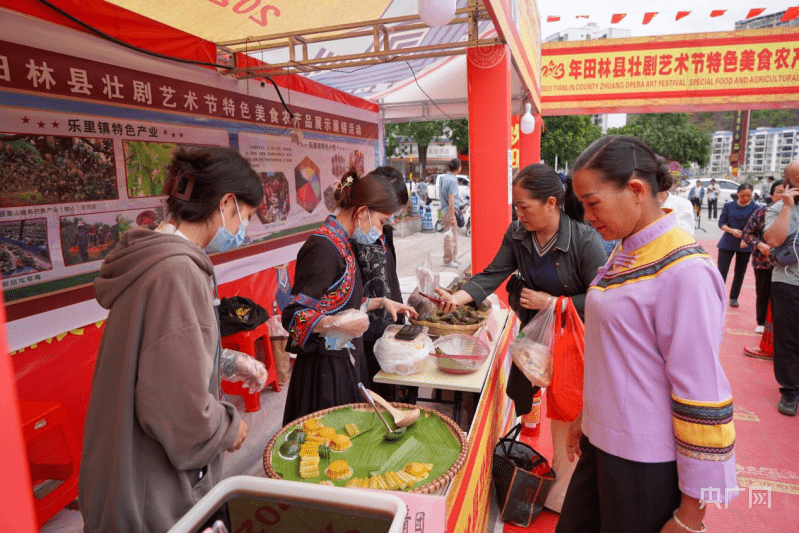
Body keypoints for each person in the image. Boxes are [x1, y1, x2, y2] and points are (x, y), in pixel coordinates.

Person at [79, 147, 264, 532]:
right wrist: (229, 429)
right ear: (226, 203)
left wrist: (230, 362)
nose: (243, 230)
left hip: (119, 472)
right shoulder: (177, 271)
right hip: (150, 495)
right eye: (245, 217)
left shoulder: (150, 258)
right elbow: (177, 408)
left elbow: (163, 352)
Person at [558, 136, 737, 533]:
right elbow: (622, 352)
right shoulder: (626, 251)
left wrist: (692, 513)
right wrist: (589, 414)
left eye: (592, 202)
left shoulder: (684, 271)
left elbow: (701, 392)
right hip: (601, 443)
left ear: (636, 190)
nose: (587, 217)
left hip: (643, 463)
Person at [434, 163, 607, 512]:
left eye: (525, 207)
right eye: (516, 207)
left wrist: (554, 302)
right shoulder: (517, 234)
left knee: (567, 407)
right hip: (536, 335)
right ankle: (556, 477)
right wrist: (458, 297)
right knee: (531, 395)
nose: (519, 214)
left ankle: (564, 486)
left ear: (551, 204)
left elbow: (604, 299)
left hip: (574, 337)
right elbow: (492, 274)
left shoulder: (585, 240)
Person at [281, 170, 417, 425]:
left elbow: (336, 303)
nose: (380, 230)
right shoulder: (322, 248)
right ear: (363, 211)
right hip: (323, 372)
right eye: (381, 221)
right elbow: (294, 316)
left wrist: (379, 302)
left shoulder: (344, 242)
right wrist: (339, 325)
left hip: (346, 362)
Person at [353, 166, 412, 399]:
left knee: (392, 394)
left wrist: (402, 317)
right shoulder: (358, 234)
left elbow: (390, 278)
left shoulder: (384, 231)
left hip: (390, 325)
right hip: (366, 332)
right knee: (372, 396)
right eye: (388, 212)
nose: (392, 216)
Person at [764, 159, 799, 416]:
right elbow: (773, 239)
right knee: (788, 338)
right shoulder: (778, 209)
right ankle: (790, 390)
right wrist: (787, 207)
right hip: (787, 281)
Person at [742, 180, 784, 337]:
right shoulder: (761, 213)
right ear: (772, 195)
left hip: (788, 265)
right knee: (763, 292)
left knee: (784, 294)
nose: (782, 195)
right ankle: (761, 322)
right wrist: (759, 245)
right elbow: (747, 233)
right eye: (779, 191)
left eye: (786, 191)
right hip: (763, 262)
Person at [717, 183, 758, 307]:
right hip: (727, 241)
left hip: (745, 244)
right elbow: (721, 223)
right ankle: (718, 295)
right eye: (742, 195)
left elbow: (757, 227)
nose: (745, 198)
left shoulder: (755, 208)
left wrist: (747, 239)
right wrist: (732, 230)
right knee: (722, 271)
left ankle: (734, 297)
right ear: (738, 193)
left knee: (740, 272)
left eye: (748, 196)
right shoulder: (729, 206)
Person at [439, 158, 462, 268]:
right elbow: (451, 199)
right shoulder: (452, 180)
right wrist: (452, 216)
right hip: (449, 211)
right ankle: (448, 260)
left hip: (445, 209)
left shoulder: (445, 177)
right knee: (450, 236)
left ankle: (453, 257)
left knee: (453, 235)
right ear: (458, 168)